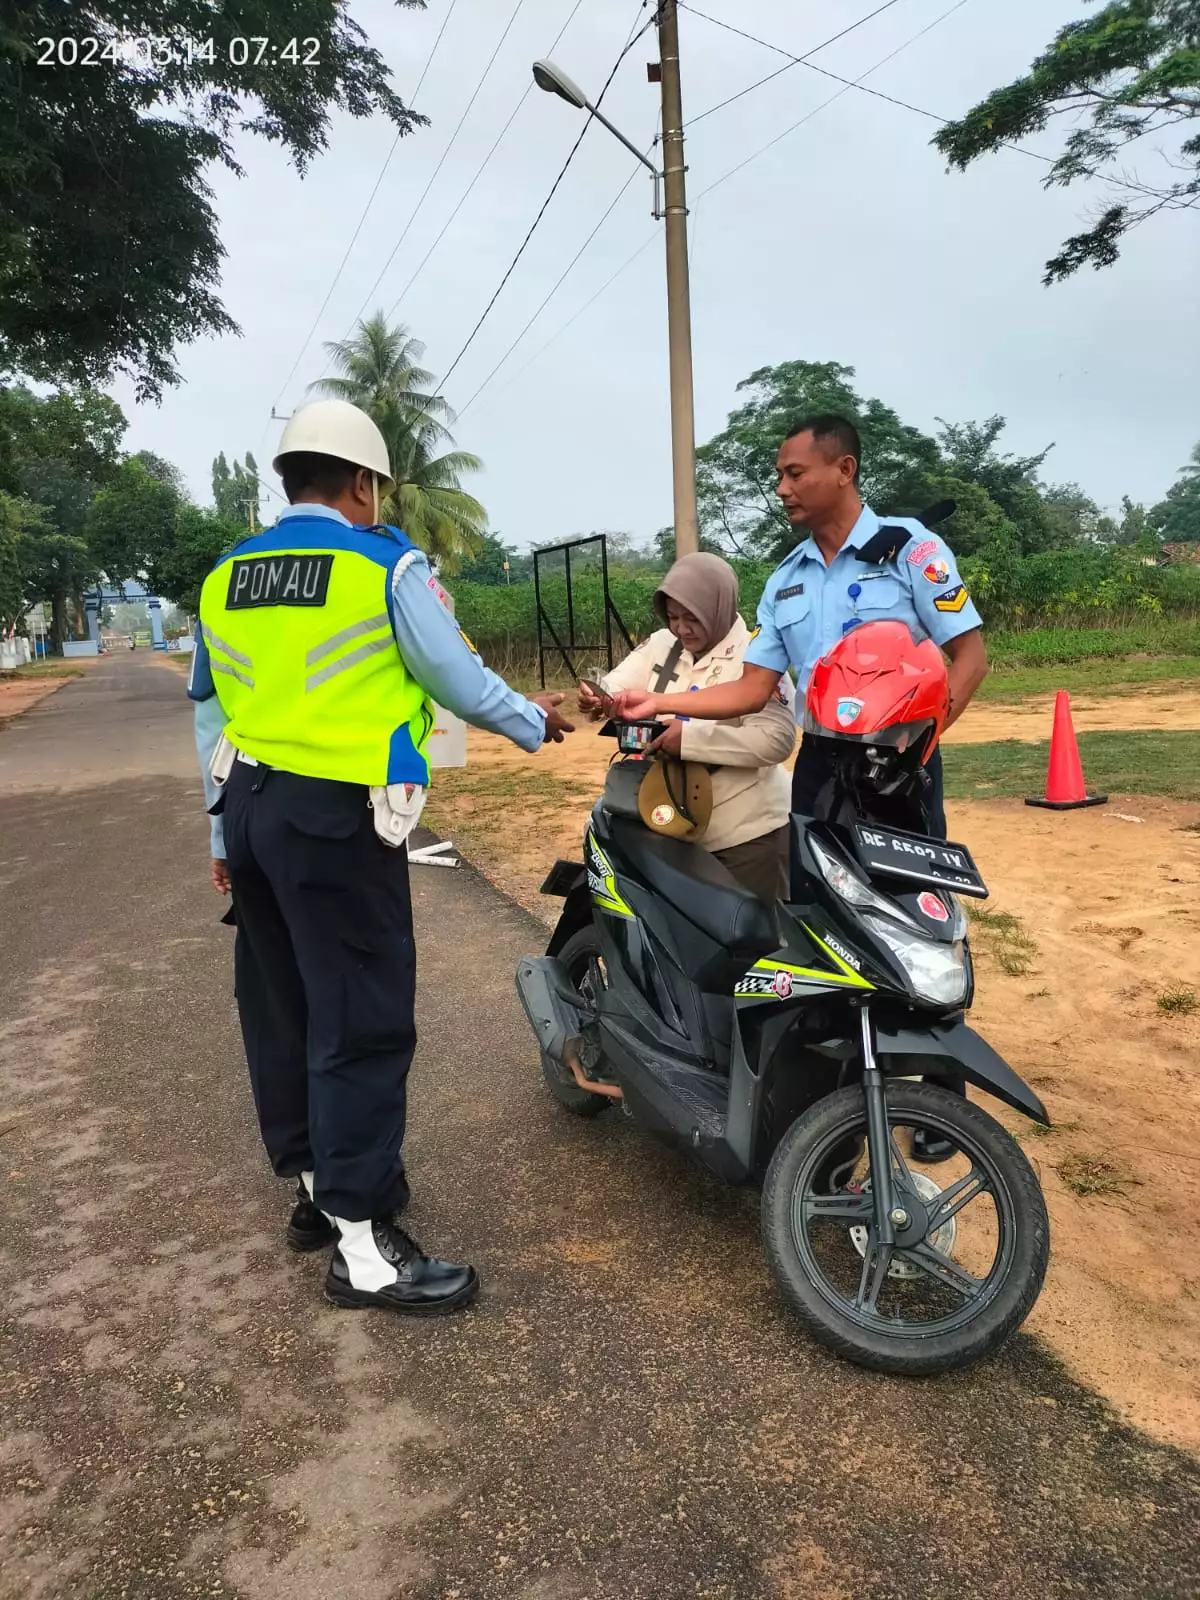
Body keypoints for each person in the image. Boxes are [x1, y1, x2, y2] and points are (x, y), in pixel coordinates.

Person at [189, 399, 574, 1316]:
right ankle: (363, 1249)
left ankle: (318, 1188)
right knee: (359, 1014)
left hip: (248, 809)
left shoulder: (223, 578)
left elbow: (209, 711)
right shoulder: (380, 566)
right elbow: (454, 676)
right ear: (362, 483)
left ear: (291, 481)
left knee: (281, 1004)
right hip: (336, 816)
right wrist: (534, 721)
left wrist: (217, 834)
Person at [611, 414, 989, 1159]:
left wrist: (921, 746)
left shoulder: (909, 551)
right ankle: (839, 1084)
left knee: (918, 917)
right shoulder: (786, 579)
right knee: (822, 920)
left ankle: (941, 1091)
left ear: (842, 470)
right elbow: (752, 690)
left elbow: (969, 656)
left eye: (794, 473)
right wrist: (663, 702)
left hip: (901, 764)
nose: (781, 486)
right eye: (779, 476)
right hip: (819, 765)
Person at [581, 552, 796, 903]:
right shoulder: (663, 644)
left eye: (692, 618)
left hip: (745, 836)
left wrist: (691, 740)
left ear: (719, 607)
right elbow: (619, 684)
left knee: (753, 944)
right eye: (672, 617)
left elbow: (777, 740)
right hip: (666, 825)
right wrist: (599, 698)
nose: (681, 629)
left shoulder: (758, 655)